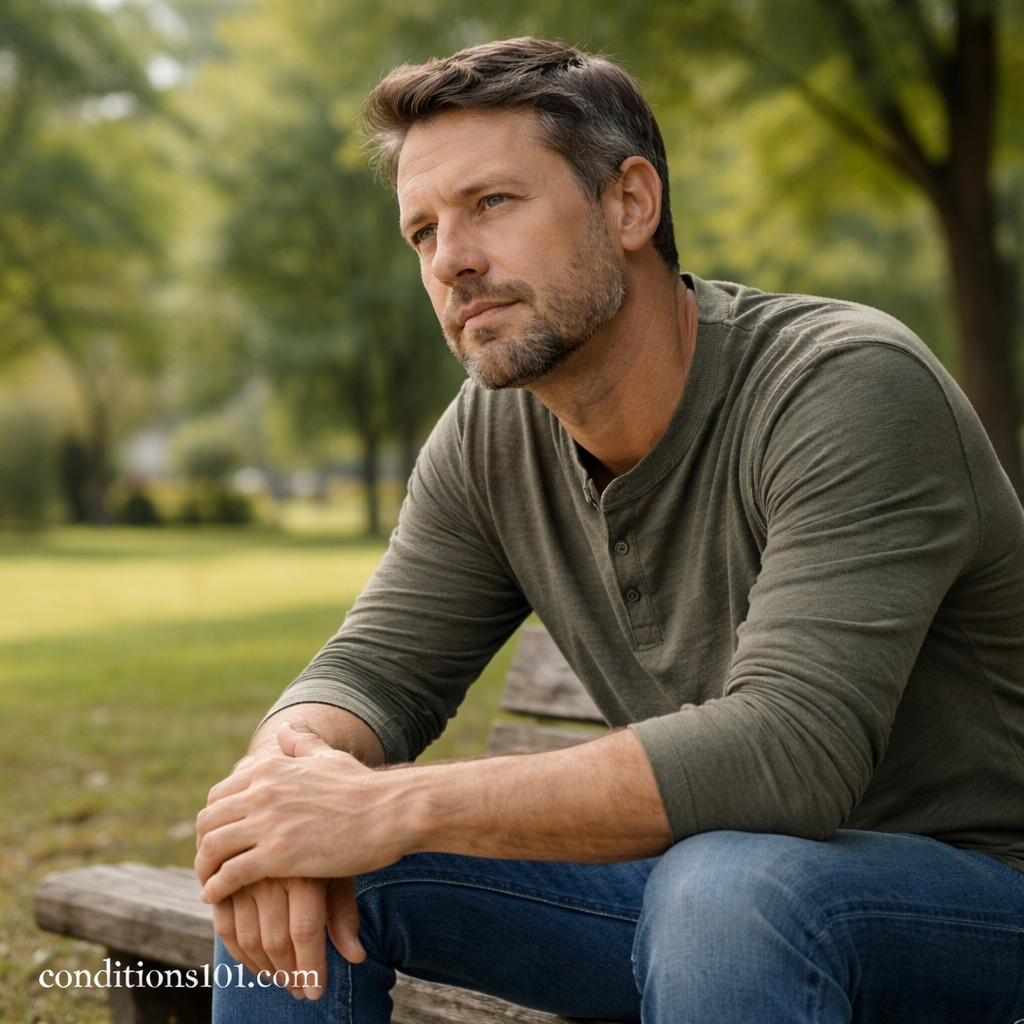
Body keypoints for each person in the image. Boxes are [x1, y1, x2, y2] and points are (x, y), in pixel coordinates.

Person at [195, 37, 1024, 1024]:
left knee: (729, 888)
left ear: (630, 203)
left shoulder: (845, 386)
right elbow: (370, 673)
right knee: (291, 867)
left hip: (976, 900)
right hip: (703, 899)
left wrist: (393, 804)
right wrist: (285, 781)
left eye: (490, 204)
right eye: (420, 232)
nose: (451, 259)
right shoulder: (492, 433)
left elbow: (791, 751)